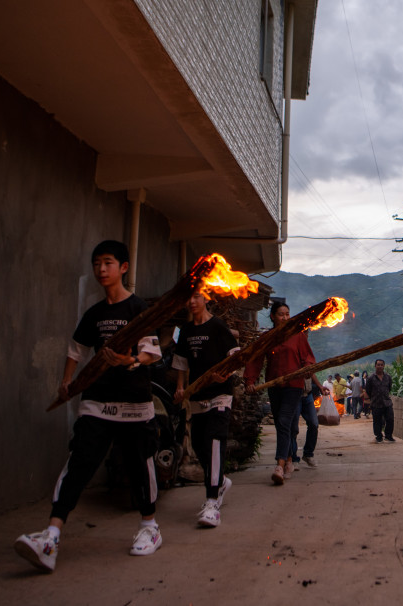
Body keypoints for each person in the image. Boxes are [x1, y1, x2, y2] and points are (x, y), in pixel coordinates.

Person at [14, 240, 164, 572]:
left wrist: (129, 360)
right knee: (79, 463)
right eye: (97, 263)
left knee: (140, 464)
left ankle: (149, 527)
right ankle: (51, 536)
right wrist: (67, 382)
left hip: (135, 404)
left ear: (123, 267)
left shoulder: (138, 309)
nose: (101, 269)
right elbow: (76, 348)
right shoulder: (94, 313)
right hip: (97, 401)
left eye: (108, 263)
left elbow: (153, 352)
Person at [172, 291, 239, 528]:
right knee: (200, 444)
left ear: (206, 299)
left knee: (214, 440)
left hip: (220, 394)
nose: (191, 301)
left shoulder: (218, 326)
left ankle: (212, 502)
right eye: (188, 297)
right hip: (197, 396)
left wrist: (226, 373)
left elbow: (235, 356)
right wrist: (181, 388)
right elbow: (181, 362)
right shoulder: (187, 331)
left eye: (196, 297)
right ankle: (220, 481)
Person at [244, 301, 316, 485]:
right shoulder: (267, 338)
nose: (285, 317)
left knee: (284, 420)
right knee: (282, 424)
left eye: (287, 314)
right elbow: (256, 360)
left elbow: (308, 358)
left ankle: (279, 465)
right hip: (274, 385)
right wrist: (250, 381)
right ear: (273, 317)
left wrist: (307, 368)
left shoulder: (298, 336)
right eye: (281, 314)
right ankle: (290, 459)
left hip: (294, 385)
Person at [290, 373, 327, 468]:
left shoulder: (307, 359)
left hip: (308, 395)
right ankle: (293, 458)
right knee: (293, 428)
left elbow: (312, 372)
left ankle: (308, 454)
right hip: (294, 395)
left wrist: (319, 386)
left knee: (314, 423)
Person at [365, 359, 395, 443]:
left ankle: (388, 436)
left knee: (390, 419)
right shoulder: (371, 378)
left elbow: (389, 388)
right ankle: (379, 436)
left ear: (384, 366)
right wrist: (373, 397)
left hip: (387, 402)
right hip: (376, 403)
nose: (380, 366)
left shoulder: (388, 377)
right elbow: (368, 390)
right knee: (377, 421)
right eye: (378, 365)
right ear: (375, 366)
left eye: (382, 365)